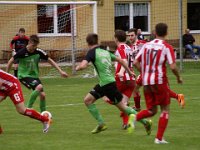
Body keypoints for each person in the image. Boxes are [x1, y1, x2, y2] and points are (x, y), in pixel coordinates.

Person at [76, 33, 152, 134]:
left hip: (107, 85)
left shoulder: (92, 52)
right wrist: (129, 71)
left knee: (123, 107)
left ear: (88, 43)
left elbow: (84, 65)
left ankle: (145, 122)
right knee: (88, 100)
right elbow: (121, 60)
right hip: (107, 83)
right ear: (97, 41)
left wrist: (78, 67)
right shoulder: (105, 52)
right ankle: (101, 123)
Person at [129, 23, 183, 144]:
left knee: (152, 110)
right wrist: (179, 77)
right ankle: (159, 138)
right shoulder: (166, 47)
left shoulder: (146, 45)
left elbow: (135, 62)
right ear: (166, 33)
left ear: (155, 33)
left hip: (146, 81)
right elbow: (173, 67)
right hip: (159, 81)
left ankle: (134, 117)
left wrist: (144, 72)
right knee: (165, 110)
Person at [6, 35, 68, 112]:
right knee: (39, 87)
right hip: (23, 75)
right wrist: (7, 76)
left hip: (34, 76)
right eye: (33, 45)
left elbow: (50, 60)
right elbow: (10, 62)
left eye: (36, 46)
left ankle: (43, 114)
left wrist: (60, 71)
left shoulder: (38, 51)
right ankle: (28, 108)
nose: (34, 47)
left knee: (43, 95)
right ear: (29, 43)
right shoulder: (22, 52)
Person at [127, 28, 185, 109]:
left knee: (154, 89)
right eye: (129, 36)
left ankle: (178, 97)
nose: (130, 37)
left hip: (149, 71)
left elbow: (154, 46)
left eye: (132, 35)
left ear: (136, 35)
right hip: (144, 72)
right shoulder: (130, 47)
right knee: (136, 88)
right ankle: (178, 96)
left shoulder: (143, 43)